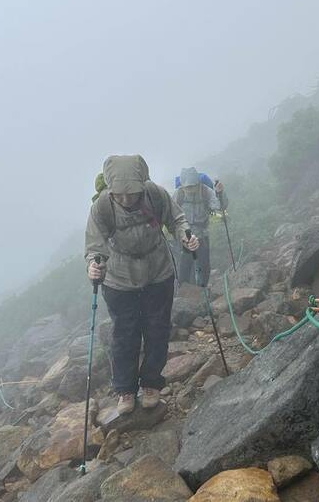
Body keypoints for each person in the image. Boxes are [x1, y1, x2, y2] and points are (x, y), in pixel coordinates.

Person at [84, 155, 199, 415]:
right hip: (119, 278)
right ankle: (125, 389)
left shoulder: (155, 195)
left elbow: (177, 219)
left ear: (142, 183)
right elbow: (94, 245)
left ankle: (151, 384)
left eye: (132, 193)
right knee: (125, 334)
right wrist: (93, 264)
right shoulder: (102, 207)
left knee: (157, 329)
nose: (126, 199)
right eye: (119, 195)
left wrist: (185, 237)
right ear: (111, 189)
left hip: (157, 271)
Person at [173, 167, 228, 287]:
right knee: (184, 264)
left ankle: (202, 291)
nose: (190, 189)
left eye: (192, 186)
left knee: (204, 264)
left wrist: (220, 193)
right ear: (182, 185)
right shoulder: (178, 193)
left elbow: (220, 207)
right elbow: (171, 213)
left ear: (198, 183)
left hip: (202, 233)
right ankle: (183, 291)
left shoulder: (206, 191)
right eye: (187, 187)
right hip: (184, 234)